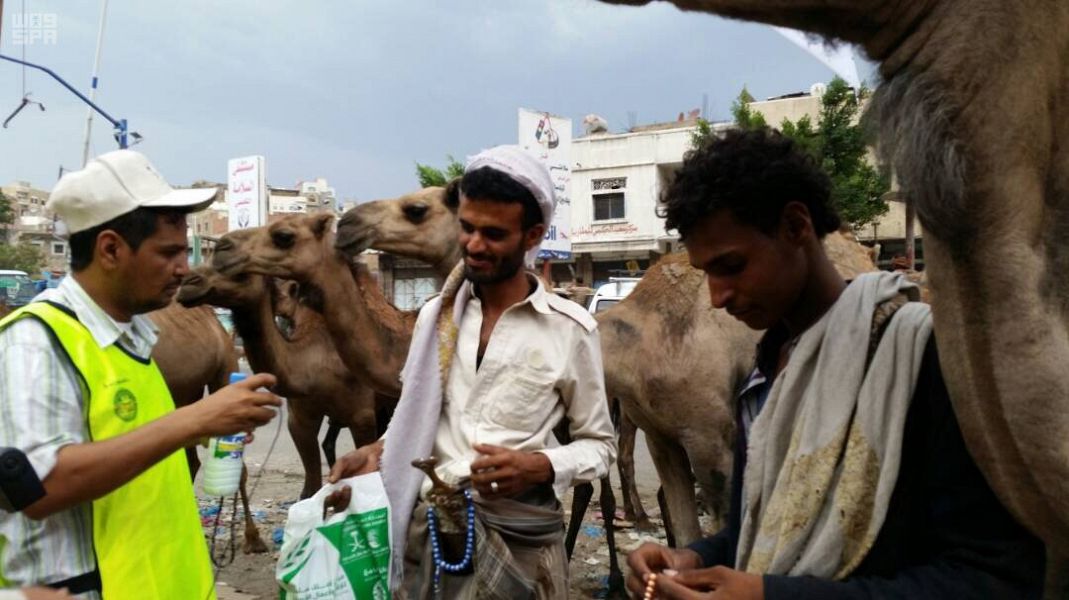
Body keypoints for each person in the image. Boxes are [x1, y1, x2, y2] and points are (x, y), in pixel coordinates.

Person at [626, 129, 1045, 599]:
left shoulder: (925, 360)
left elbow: (995, 577)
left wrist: (770, 596)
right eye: (707, 274)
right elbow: (763, 530)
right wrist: (697, 557)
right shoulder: (765, 372)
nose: (718, 298)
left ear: (795, 226)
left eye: (733, 266)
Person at [327, 145, 616, 598]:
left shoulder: (571, 330)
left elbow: (600, 448)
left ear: (532, 235)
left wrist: (539, 465)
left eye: (494, 234)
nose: (475, 245)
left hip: (519, 541)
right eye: (467, 228)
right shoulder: (434, 320)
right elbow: (420, 420)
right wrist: (377, 452)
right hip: (431, 542)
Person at [0, 150, 282, 599]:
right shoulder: (36, 343)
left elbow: (135, 443)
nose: (184, 268)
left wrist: (211, 429)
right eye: (168, 252)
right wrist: (197, 420)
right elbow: (39, 484)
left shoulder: (132, 340)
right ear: (110, 249)